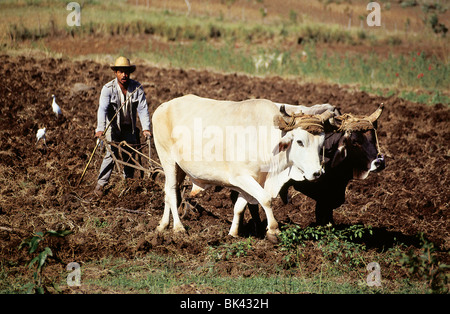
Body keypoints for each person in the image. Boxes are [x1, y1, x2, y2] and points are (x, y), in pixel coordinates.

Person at [94, 56, 151, 197]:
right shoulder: (108, 89)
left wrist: (146, 128)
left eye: (126, 72)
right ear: (116, 73)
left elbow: (143, 109)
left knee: (129, 155)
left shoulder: (136, 88)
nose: (124, 75)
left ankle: (128, 183)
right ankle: (100, 185)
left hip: (129, 128)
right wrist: (100, 129)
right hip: (112, 128)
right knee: (111, 154)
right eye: (121, 72)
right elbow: (102, 109)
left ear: (130, 73)